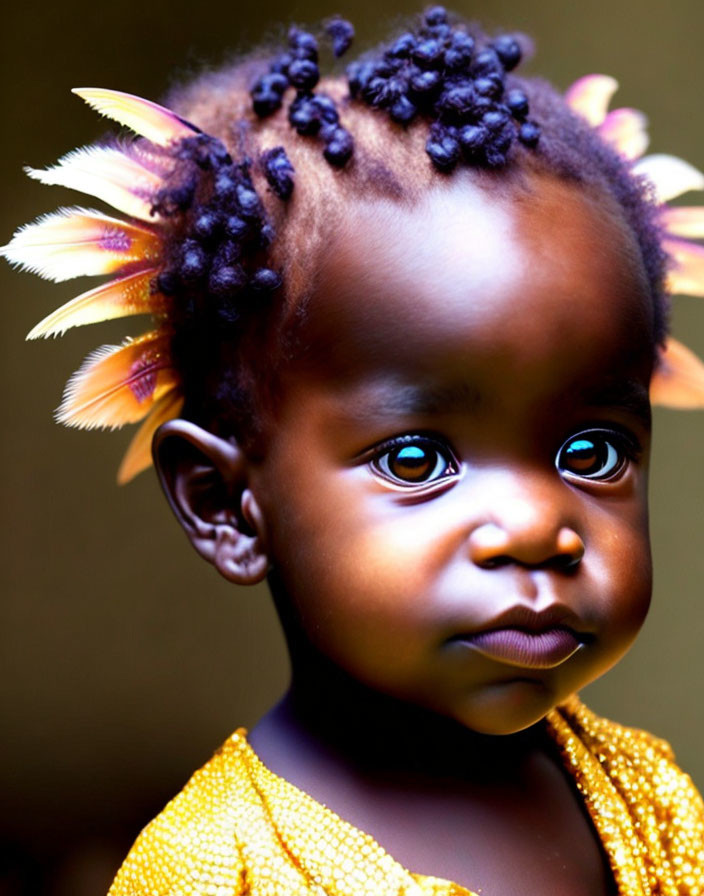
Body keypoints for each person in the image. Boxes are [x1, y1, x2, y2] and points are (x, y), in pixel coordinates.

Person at [4, 7, 704, 893]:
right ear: (226, 505)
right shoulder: (215, 872)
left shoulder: (644, 793)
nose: (538, 527)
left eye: (593, 453)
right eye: (417, 462)